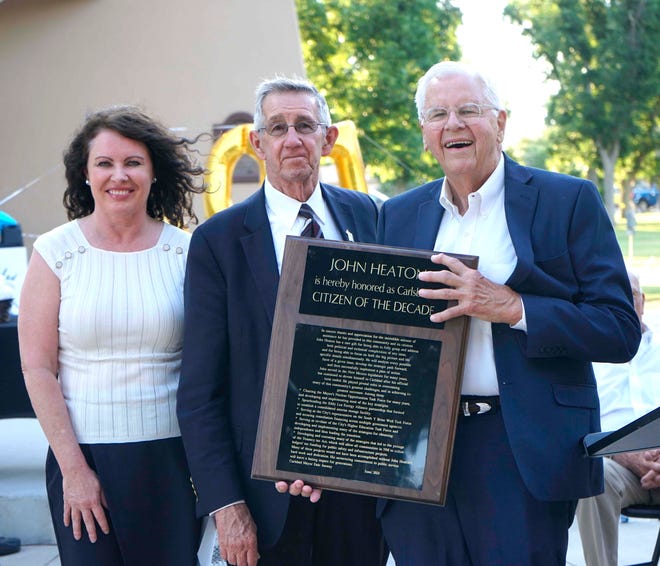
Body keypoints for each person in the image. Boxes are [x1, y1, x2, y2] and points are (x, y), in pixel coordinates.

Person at [375, 61, 641, 565]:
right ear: (425, 135)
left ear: (500, 122)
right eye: (438, 114)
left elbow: (619, 329)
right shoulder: (397, 214)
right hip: (418, 450)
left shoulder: (568, 200)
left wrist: (513, 307)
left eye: (469, 110)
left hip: (520, 449)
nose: (453, 124)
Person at [176, 77, 388, 566]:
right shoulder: (218, 242)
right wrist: (225, 507)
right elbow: (200, 392)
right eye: (278, 127)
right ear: (257, 142)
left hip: (363, 487)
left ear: (328, 139)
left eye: (305, 126)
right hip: (263, 498)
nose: (292, 139)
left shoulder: (374, 219)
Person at [18, 106, 205, 565]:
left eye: (133, 162)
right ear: (84, 174)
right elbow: (37, 367)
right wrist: (74, 471)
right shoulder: (55, 252)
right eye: (104, 163)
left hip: (173, 461)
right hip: (84, 459)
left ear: (154, 172)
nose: (118, 175)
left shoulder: (185, 252)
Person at [576, 270, 660, 566]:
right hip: (618, 467)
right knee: (593, 478)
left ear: (643, 302)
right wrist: (626, 456)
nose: (624, 303)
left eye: (631, 295)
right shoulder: (587, 356)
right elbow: (582, 428)